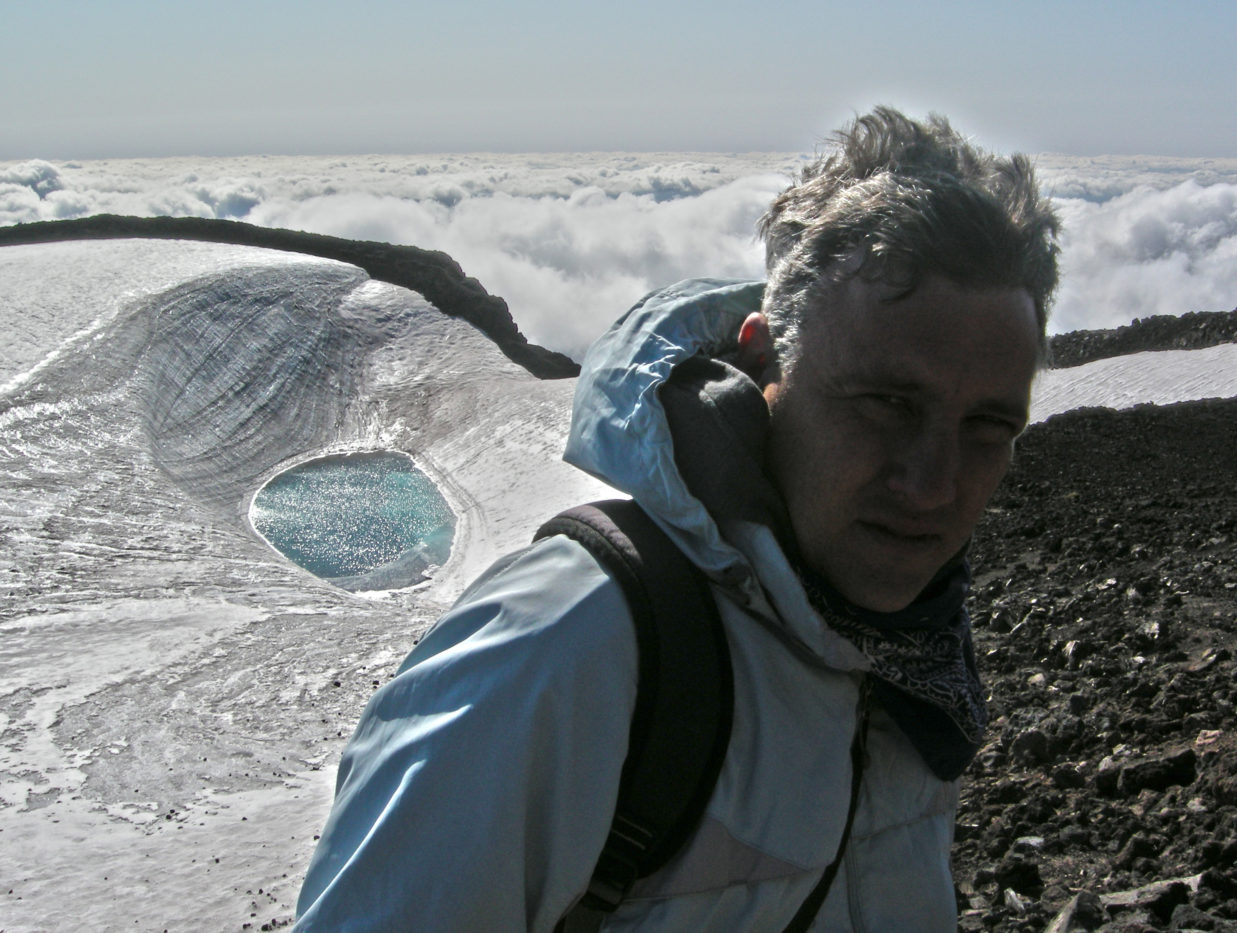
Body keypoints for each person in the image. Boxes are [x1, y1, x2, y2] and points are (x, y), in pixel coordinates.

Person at [294, 106, 1060, 931]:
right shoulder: (567, 647)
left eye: (988, 427)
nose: (933, 484)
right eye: (884, 403)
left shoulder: (912, 649)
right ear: (766, 356)